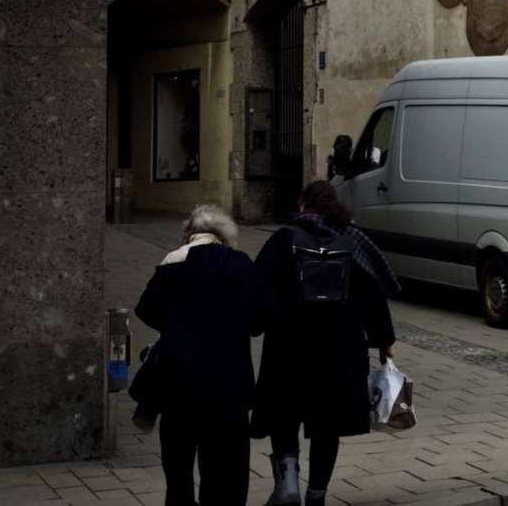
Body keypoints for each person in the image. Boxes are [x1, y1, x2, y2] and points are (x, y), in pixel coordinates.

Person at [253, 180, 400, 506]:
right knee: (327, 425)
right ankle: (316, 494)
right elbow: (375, 295)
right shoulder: (354, 240)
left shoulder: (283, 239)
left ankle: (288, 481)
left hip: (289, 345)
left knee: (285, 414)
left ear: (303, 204)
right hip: (340, 348)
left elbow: (258, 288)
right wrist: (383, 341)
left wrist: (257, 324)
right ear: (335, 206)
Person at [133, 206, 271, 506]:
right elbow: (261, 320)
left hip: (178, 382)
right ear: (225, 236)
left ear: (189, 233)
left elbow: (146, 310)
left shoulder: (172, 261)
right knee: (226, 470)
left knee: (178, 465)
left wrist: (178, 326)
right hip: (229, 385)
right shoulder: (241, 263)